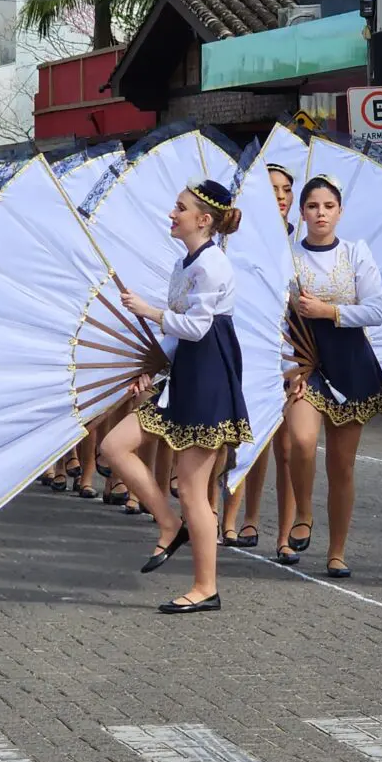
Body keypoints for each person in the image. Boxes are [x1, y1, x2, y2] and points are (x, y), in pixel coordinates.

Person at [100, 179, 251, 614]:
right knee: (115, 445)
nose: (172, 213)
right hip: (185, 373)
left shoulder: (213, 265)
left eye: (180, 208)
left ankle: (206, 587)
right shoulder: (184, 263)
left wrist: (149, 311)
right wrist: (151, 366)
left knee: (191, 488)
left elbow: (198, 328)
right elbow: (178, 332)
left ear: (204, 220)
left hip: (208, 379)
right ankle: (168, 523)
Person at [284, 174, 382, 578]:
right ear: (302, 212)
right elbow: (277, 317)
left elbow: (377, 311)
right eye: (313, 206)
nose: (320, 213)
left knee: (342, 466)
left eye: (328, 207)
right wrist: (286, 365)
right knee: (302, 441)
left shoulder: (356, 253)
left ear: (340, 212)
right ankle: (304, 511)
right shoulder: (289, 258)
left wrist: (331, 312)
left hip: (350, 364)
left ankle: (337, 551)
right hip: (305, 364)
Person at [220, 161, 296, 555]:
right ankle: (233, 518)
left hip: (295, 356)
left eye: (286, 189)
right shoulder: (240, 242)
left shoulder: (299, 243)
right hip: (251, 348)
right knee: (250, 437)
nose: (280, 197)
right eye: (272, 189)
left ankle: (284, 535)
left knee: (288, 448)